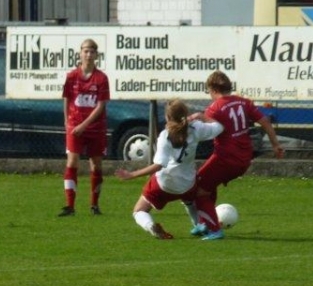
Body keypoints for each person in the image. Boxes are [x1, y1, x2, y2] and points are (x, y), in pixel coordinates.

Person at [188, 70, 284, 240]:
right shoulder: (243, 102)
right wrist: (276, 145)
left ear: (213, 89)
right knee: (208, 184)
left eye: (208, 91)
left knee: (198, 190)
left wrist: (198, 119)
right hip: (244, 159)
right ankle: (204, 222)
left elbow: (208, 132)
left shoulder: (214, 108)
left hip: (225, 158)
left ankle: (213, 228)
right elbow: (265, 122)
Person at [115, 99, 223, 239]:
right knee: (189, 200)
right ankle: (198, 225)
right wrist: (201, 117)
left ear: (168, 117)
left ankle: (151, 226)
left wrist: (132, 174)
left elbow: (159, 165)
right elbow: (219, 127)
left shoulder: (165, 136)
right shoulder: (196, 128)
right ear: (185, 114)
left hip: (164, 183)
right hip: (187, 184)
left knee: (139, 210)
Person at [58, 38, 110, 216]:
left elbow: (101, 106)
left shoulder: (101, 78)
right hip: (74, 126)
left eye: (92, 51)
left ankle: (94, 205)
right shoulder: (72, 76)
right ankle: (70, 205)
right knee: (72, 162)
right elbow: (66, 98)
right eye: (85, 51)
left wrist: (84, 125)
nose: (88, 54)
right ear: (80, 53)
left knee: (96, 165)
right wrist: (67, 122)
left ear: (96, 55)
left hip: (95, 128)